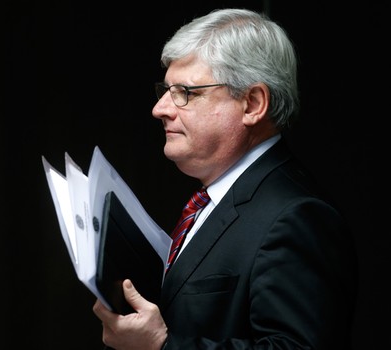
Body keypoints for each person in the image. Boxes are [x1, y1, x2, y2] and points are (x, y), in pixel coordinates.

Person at [93, 8, 357, 350]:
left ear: (252, 104)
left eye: (185, 92)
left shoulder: (298, 217)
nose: (160, 108)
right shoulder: (216, 196)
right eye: (165, 89)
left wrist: (160, 345)